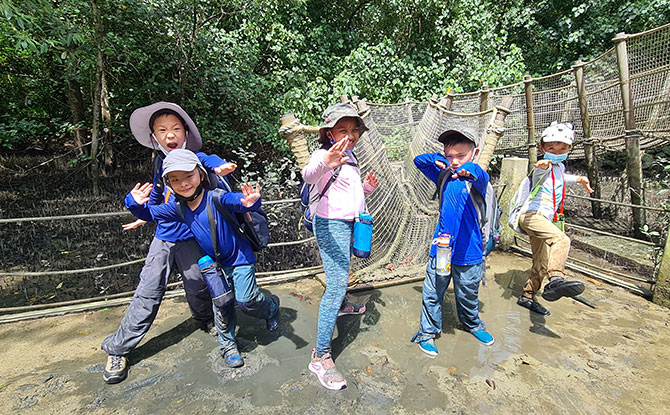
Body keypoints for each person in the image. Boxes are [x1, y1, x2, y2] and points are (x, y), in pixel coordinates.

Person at [101, 102, 236, 384]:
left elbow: (210, 160)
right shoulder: (159, 162)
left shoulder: (196, 158)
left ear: (186, 133)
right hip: (164, 237)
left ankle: (204, 320)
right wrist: (138, 209)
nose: (169, 135)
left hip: (192, 237)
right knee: (148, 291)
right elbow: (155, 200)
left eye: (175, 128)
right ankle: (118, 349)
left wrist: (221, 168)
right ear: (154, 137)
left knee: (198, 284)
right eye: (162, 130)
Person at [125, 149, 280, 369]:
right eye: (175, 179)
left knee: (246, 300)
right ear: (168, 183)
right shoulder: (178, 208)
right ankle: (228, 346)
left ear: (200, 174)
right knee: (222, 303)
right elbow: (149, 214)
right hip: (214, 262)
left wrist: (250, 202)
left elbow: (236, 201)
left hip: (239, 257)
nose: (184, 183)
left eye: (189, 176)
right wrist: (133, 202)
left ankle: (271, 307)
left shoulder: (215, 197)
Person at [301, 103, 378, 390]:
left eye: (353, 130)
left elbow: (348, 192)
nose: (350, 134)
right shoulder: (324, 154)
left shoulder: (352, 157)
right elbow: (309, 175)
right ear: (329, 133)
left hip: (350, 223)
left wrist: (367, 188)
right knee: (334, 284)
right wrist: (326, 162)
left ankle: (343, 306)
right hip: (331, 224)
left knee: (341, 274)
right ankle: (320, 356)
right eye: (342, 130)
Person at [410, 127, 495, 357]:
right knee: (433, 291)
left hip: (469, 251)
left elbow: (481, 174)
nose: (455, 161)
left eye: (461, 156)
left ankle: (473, 324)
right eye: (450, 155)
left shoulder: (478, 179)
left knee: (468, 292)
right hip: (442, 249)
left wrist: (469, 168)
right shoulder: (444, 175)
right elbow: (419, 161)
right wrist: (439, 160)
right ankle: (427, 333)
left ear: (474, 153)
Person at [516, 121, 594, 316]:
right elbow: (542, 171)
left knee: (541, 263)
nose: (557, 152)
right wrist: (541, 166)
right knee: (561, 239)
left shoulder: (558, 167)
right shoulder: (542, 166)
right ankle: (556, 278)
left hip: (543, 219)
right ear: (542, 148)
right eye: (551, 148)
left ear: (569, 149)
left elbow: (560, 176)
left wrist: (579, 179)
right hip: (532, 215)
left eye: (562, 148)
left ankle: (527, 296)